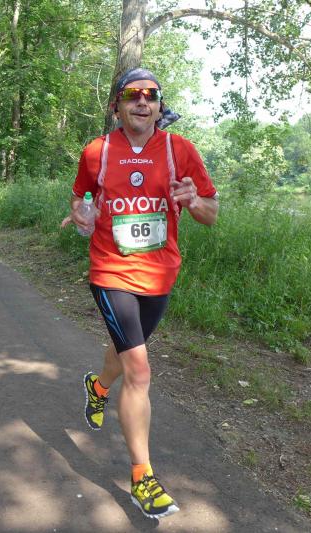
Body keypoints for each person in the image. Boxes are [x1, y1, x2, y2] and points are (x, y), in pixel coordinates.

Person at [62, 68, 219, 519]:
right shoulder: (96, 151)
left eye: (151, 95)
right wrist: (82, 215)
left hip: (159, 276)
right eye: (133, 94)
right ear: (118, 105)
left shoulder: (179, 150)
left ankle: (97, 386)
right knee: (140, 370)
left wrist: (193, 201)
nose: (142, 101)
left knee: (124, 351)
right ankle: (142, 477)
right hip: (110, 271)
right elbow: (80, 198)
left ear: (159, 105)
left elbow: (211, 213)